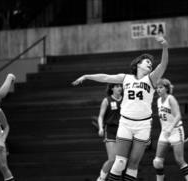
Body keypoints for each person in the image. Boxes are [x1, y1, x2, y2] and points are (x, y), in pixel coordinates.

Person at [72, 35, 168, 181]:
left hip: (143, 125)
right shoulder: (125, 78)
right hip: (125, 123)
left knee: (133, 164)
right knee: (120, 162)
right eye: (147, 62)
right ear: (138, 64)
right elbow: (105, 77)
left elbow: (163, 64)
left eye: (151, 63)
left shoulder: (152, 78)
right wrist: (87, 76)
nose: (150, 64)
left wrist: (165, 46)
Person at [153, 78, 188, 181]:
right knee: (157, 162)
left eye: (161, 87)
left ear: (166, 88)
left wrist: (171, 127)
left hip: (175, 131)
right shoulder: (158, 101)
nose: (158, 89)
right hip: (165, 132)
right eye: (157, 87)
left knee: (179, 160)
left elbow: (178, 115)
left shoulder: (170, 98)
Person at [96, 83, 123, 181]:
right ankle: (101, 178)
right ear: (112, 89)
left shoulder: (125, 99)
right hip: (111, 130)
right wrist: (100, 128)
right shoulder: (106, 100)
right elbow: (100, 116)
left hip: (123, 131)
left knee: (121, 160)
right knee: (112, 159)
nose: (119, 88)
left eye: (120, 86)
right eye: (116, 86)